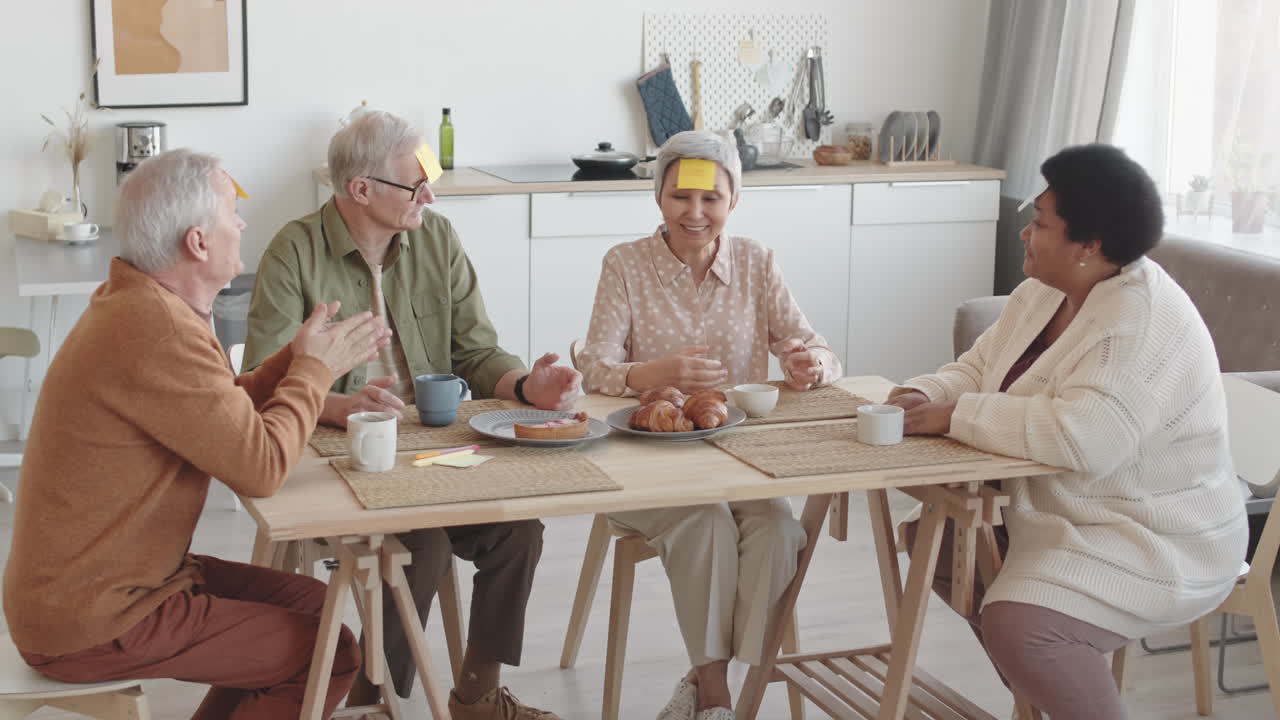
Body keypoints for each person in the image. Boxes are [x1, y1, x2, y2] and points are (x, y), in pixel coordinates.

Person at [3, 149, 391, 719]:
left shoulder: (144, 303)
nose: (241, 224)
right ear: (198, 243)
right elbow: (260, 469)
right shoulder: (157, 328)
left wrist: (296, 361)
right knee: (328, 651)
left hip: (108, 588)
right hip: (95, 617)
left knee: (317, 603)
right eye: (231, 214)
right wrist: (315, 371)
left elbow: (215, 405)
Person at [888, 144, 1248, 720]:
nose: (1026, 233)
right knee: (941, 547)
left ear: (1091, 245)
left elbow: (1089, 438)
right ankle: (1047, 702)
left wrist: (958, 415)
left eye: (1041, 223)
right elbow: (980, 368)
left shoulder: (1142, 321)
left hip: (1156, 530)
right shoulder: (1043, 291)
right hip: (1061, 510)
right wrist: (928, 393)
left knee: (1023, 627)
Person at [244, 110, 579, 719]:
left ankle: (477, 696)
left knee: (518, 531)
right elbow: (265, 382)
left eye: (430, 176)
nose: (430, 192)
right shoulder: (294, 250)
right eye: (414, 182)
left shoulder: (438, 236)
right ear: (361, 189)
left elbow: (477, 350)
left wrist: (530, 385)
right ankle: (380, 702)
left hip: (434, 449)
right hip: (340, 459)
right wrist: (343, 408)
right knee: (420, 547)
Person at [577, 129, 842, 720]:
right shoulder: (625, 264)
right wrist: (653, 373)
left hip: (737, 460)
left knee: (778, 528)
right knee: (707, 521)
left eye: (711, 200)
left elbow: (818, 347)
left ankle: (702, 681)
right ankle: (719, 698)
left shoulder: (757, 262)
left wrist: (809, 366)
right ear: (659, 197)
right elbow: (593, 365)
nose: (694, 214)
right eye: (679, 198)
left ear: (734, 202)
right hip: (644, 463)